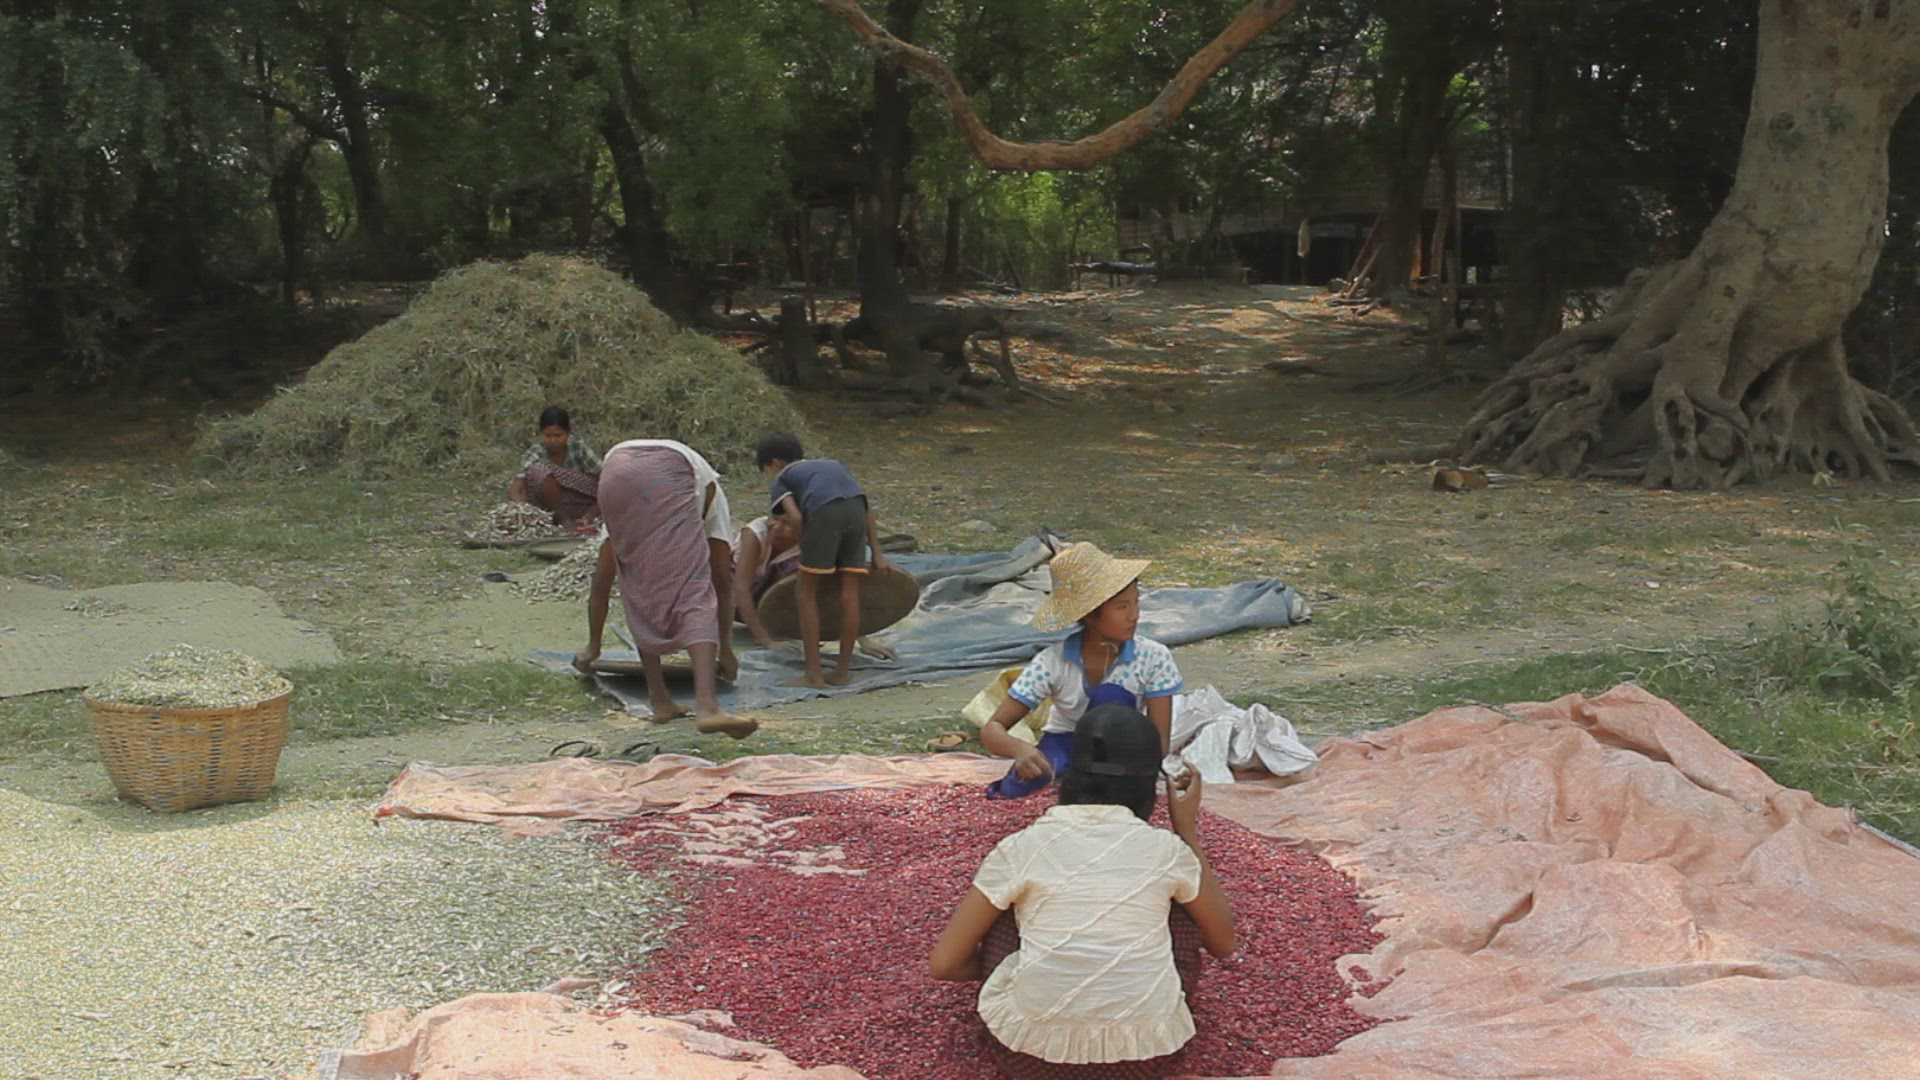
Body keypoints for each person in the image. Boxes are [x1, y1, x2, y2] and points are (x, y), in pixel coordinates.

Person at [930, 704, 1237, 1079]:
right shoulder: (1167, 850)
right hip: (1144, 1058)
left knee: (1009, 905)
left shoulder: (1022, 847)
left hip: (1030, 1058)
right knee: (1178, 903)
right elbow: (1223, 944)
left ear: (1069, 775)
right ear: (1148, 786)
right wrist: (1186, 830)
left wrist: (1033, 967)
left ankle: (1039, 992)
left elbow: (945, 964)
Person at [572, 438, 755, 738]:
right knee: (695, 590)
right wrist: (726, 650)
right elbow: (722, 579)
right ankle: (708, 707)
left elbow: (603, 577)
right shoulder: (711, 497)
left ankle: (660, 700)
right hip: (666, 471)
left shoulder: (633, 502)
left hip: (614, 472)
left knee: (639, 587)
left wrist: (593, 645)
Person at [978, 542, 1182, 799]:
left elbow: (1158, 745)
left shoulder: (1154, 658)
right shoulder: (1053, 662)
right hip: (1066, 741)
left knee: (1111, 696)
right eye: (1122, 607)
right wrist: (1019, 749)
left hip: (1123, 744)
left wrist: (1135, 769)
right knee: (1020, 786)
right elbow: (992, 729)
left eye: (1135, 603)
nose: (1134, 615)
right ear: (1090, 615)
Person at [754, 433, 889, 688]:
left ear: (775, 463)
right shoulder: (832, 465)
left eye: (767, 470)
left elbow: (796, 518)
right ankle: (842, 672)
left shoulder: (783, 478)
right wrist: (878, 554)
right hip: (855, 514)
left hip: (825, 513)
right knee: (849, 593)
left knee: (805, 592)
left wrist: (807, 550)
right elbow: (865, 507)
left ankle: (813, 675)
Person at [731, 513, 899, 661]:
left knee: (811, 575)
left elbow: (835, 589)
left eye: (787, 523)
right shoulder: (755, 534)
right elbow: (740, 589)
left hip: (770, 602)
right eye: (775, 518)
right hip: (733, 601)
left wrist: (862, 639)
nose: (776, 527)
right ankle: (763, 626)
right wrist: (765, 640)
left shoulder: (813, 541)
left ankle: (781, 625)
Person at [509, 406, 603, 531]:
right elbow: (515, 490)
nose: (553, 440)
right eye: (548, 435)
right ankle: (564, 520)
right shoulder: (535, 453)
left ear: (567, 433)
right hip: (550, 509)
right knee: (538, 470)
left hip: (582, 504)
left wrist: (590, 514)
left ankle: (586, 519)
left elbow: (604, 475)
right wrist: (525, 511)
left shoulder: (578, 447)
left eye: (558, 435)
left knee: (609, 485)